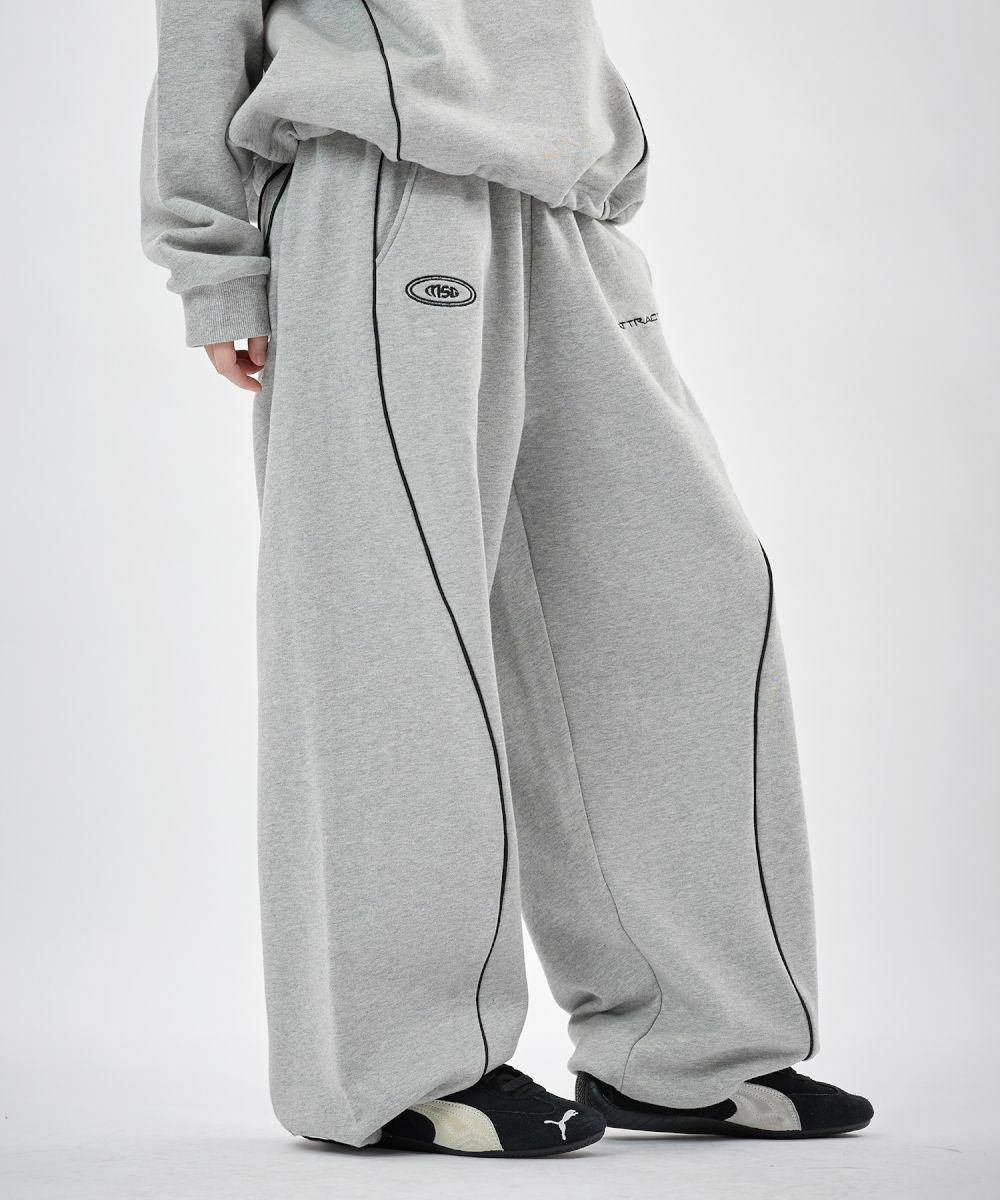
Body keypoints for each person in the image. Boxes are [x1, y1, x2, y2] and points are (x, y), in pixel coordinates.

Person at [141, 0, 873, 1158]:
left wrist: (605, 143)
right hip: (383, 183)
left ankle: (683, 1046)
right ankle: (397, 1066)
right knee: (394, 630)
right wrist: (215, 264)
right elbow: (202, 26)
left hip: (565, 205)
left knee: (688, 601)